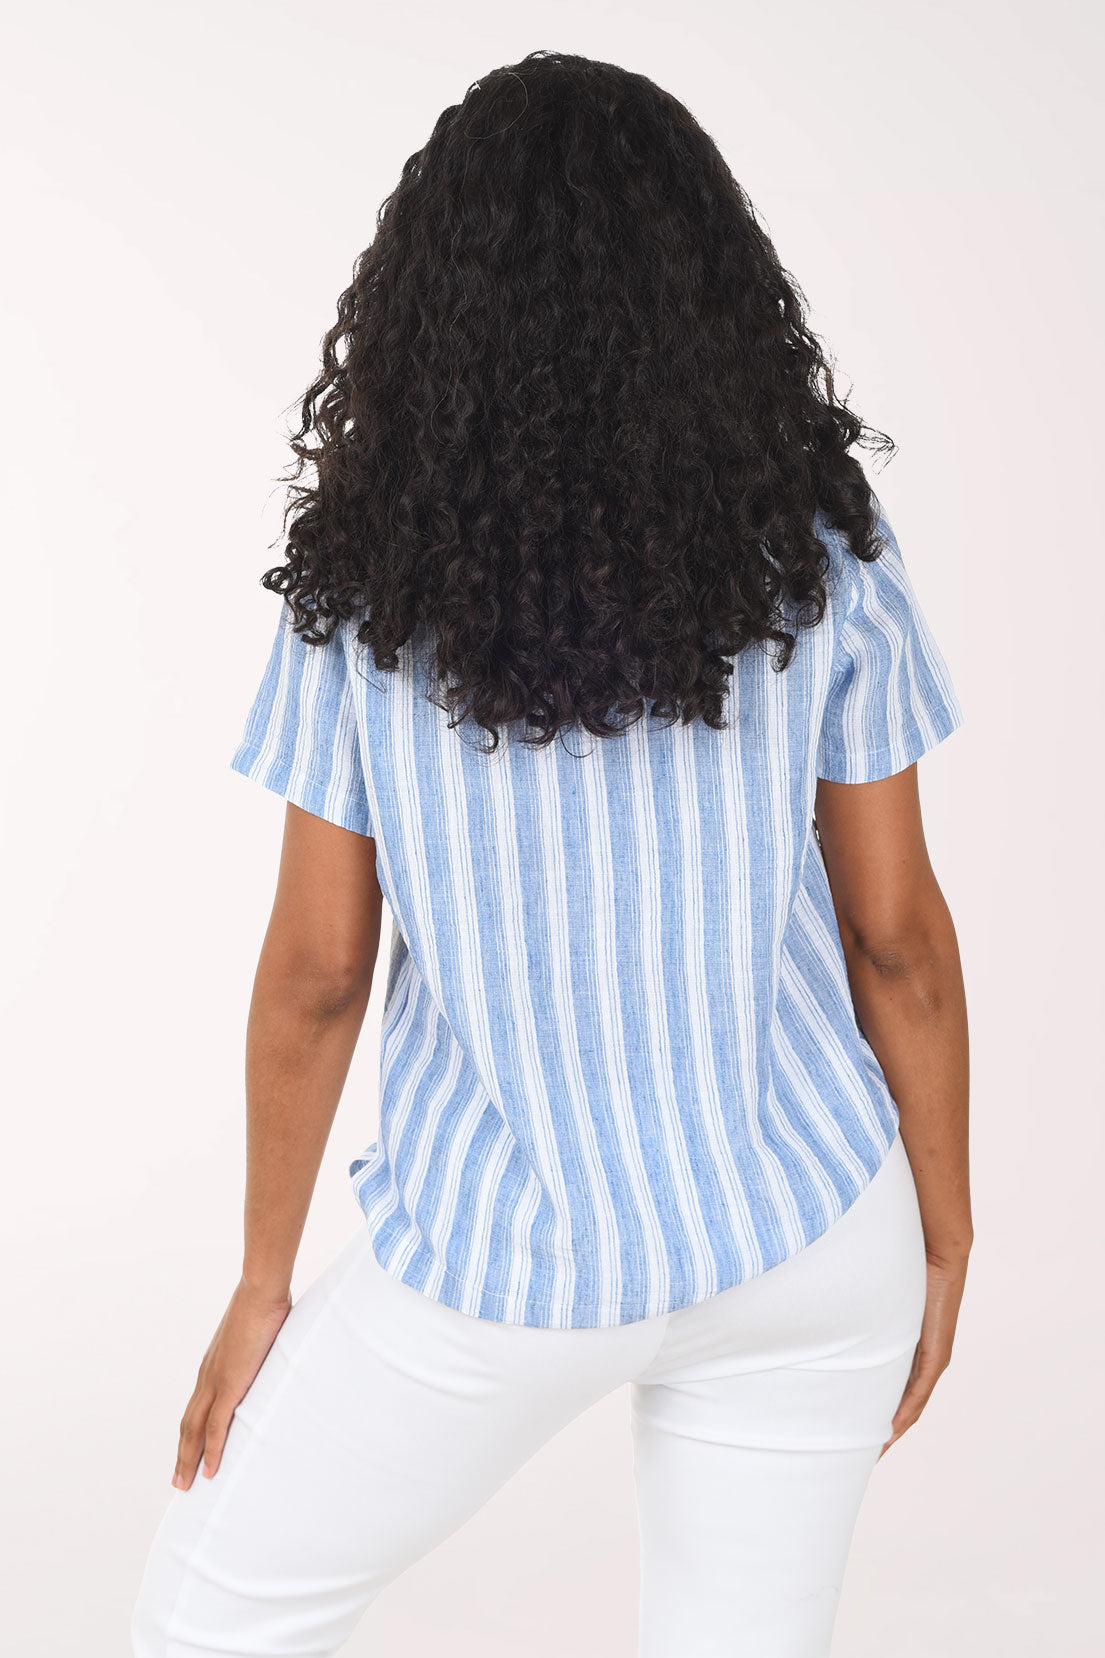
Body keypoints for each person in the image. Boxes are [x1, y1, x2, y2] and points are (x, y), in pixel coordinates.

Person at [131, 49, 972, 1658]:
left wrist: (262, 1281)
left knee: (212, 1616)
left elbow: (317, 975)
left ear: (428, 305)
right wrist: (940, 1227)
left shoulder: (370, 590)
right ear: (708, 288)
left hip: (499, 1250)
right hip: (807, 1216)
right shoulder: (816, 543)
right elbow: (896, 938)